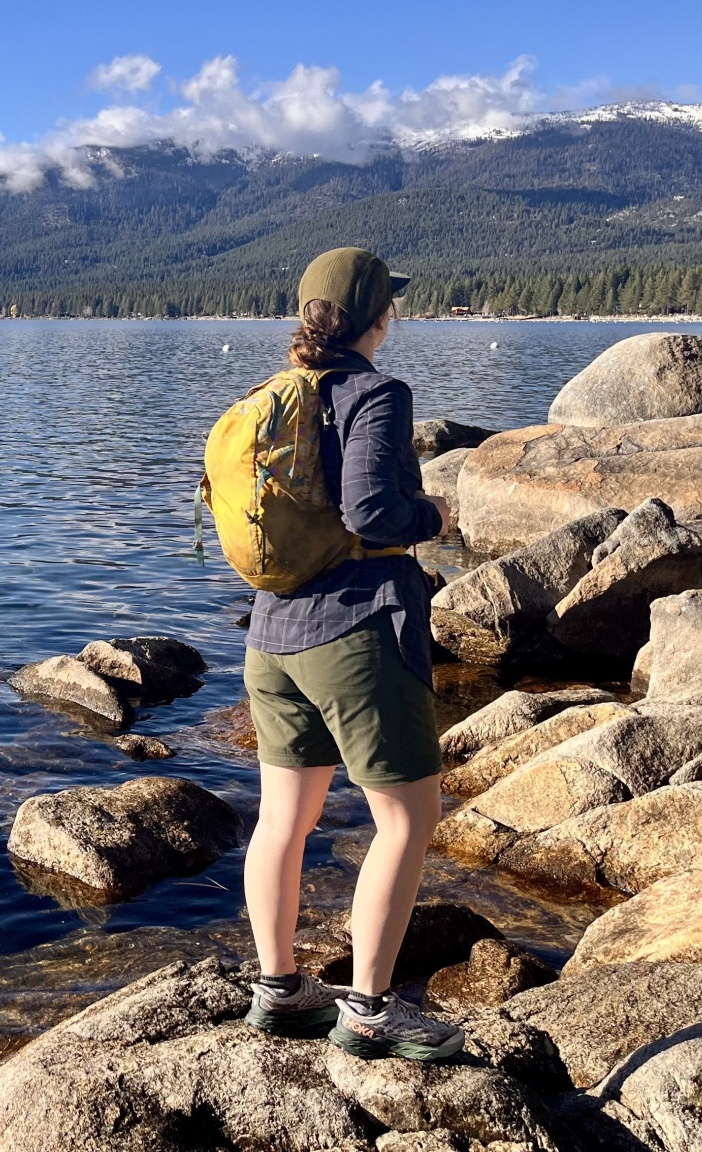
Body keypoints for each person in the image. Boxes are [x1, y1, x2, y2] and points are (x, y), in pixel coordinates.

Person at [238, 247, 463, 1062]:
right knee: (408, 819)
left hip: (272, 634)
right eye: (389, 306)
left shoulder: (275, 397)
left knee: (282, 821)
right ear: (378, 317)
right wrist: (433, 517)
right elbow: (370, 511)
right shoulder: (375, 393)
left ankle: (280, 990)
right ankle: (369, 1012)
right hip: (356, 631)